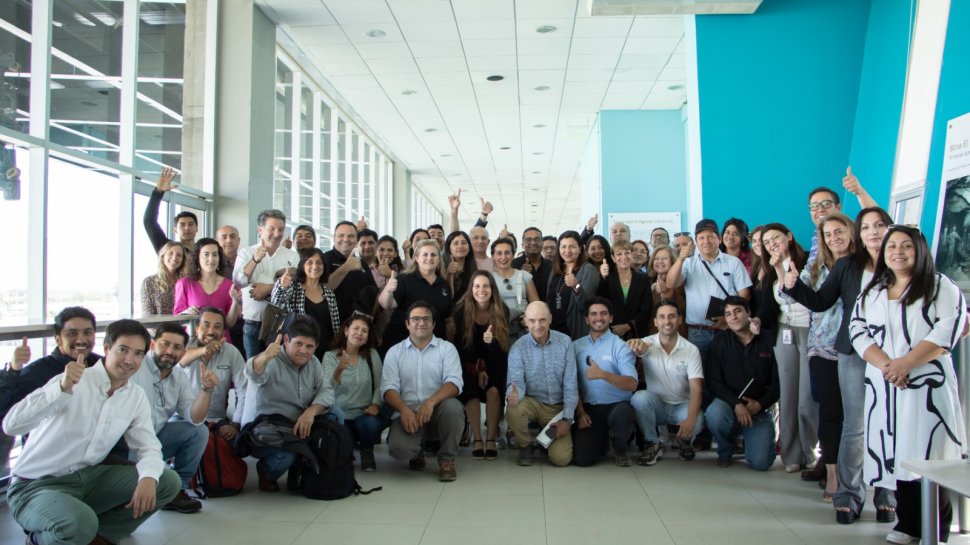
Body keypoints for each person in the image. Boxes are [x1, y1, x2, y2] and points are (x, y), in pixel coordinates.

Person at [3, 320, 181, 545]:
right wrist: (61, 389)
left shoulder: (135, 396)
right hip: (34, 486)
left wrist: (148, 478)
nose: (129, 360)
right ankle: (42, 539)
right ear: (106, 349)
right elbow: (11, 425)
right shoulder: (73, 381)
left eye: (138, 353)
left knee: (166, 480)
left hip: (87, 479)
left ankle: (100, 534)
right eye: (123, 350)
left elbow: (148, 446)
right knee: (80, 523)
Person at [848, 225, 967, 544]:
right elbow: (857, 330)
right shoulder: (873, 291)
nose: (898, 252)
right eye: (891, 247)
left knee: (929, 451)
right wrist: (887, 365)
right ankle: (909, 522)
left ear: (920, 250)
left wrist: (907, 363)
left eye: (906, 246)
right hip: (885, 382)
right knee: (895, 449)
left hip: (926, 383)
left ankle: (936, 527)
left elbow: (948, 328)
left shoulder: (940, 286)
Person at [782, 206, 895, 524]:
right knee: (854, 425)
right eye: (867, 227)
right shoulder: (847, 266)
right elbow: (821, 302)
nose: (873, 232)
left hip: (894, 353)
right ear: (860, 233)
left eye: (879, 226)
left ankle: (887, 493)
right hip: (853, 350)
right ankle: (849, 494)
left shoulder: (899, 261)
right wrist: (792, 285)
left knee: (888, 423)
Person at [797, 213, 855, 499]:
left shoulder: (865, 263)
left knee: (856, 414)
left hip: (860, 347)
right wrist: (786, 277)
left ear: (851, 232)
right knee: (831, 412)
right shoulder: (816, 266)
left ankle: (856, 473)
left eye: (839, 231)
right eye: (828, 234)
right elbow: (811, 299)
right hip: (822, 347)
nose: (834, 238)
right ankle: (832, 473)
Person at [0, 307, 101, 474]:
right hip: (47, 467)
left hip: (92, 460)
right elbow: (5, 411)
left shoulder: (101, 365)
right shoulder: (38, 372)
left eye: (87, 333)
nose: (81, 339)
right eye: (72, 333)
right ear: (58, 339)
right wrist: (13, 369)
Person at [128, 322, 215, 514]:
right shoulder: (135, 367)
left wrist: (207, 390)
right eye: (164, 344)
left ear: (183, 352)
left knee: (199, 431)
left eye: (176, 347)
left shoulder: (179, 376)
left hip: (154, 440)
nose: (169, 351)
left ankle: (176, 490)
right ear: (152, 345)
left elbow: (195, 418)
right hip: (126, 445)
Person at [244, 317, 336, 492]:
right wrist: (264, 357)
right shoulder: (272, 358)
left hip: (297, 427)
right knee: (285, 456)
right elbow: (253, 373)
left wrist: (311, 411)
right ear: (286, 340)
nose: (303, 351)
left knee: (335, 414)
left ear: (316, 346)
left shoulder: (313, 362)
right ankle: (266, 472)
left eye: (309, 346)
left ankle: (311, 469)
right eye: (298, 344)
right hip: (268, 432)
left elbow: (327, 390)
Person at [756, 223, 817, 474]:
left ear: (789, 237)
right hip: (784, 332)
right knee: (788, 397)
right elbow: (770, 305)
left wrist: (781, 269)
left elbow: (797, 294)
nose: (772, 244)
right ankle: (791, 454)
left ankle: (808, 451)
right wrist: (757, 320)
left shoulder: (809, 262)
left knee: (807, 398)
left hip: (810, 331)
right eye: (766, 242)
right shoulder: (769, 269)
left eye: (776, 238)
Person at [381, 302, 464, 481]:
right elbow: (388, 389)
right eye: (416, 319)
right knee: (399, 451)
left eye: (426, 319)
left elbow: (454, 383)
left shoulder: (446, 349)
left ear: (433, 324)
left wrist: (430, 402)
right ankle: (416, 452)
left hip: (437, 412)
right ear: (407, 324)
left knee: (453, 407)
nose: (421, 322)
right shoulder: (395, 352)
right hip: (408, 415)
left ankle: (447, 459)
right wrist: (404, 410)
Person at [704, 296, 779, 471]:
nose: (734, 317)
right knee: (715, 413)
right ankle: (725, 449)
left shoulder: (769, 340)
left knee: (761, 463)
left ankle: (752, 441)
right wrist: (736, 404)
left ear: (749, 312)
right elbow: (714, 382)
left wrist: (760, 404)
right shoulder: (718, 343)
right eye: (728, 314)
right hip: (729, 406)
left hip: (758, 410)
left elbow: (779, 382)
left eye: (738, 311)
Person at [628, 301, 704, 465]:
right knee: (639, 398)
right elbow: (638, 348)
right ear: (655, 322)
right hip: (657, 406)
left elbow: (696, 389)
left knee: (697, 422)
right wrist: (636, 347)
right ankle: (653, 443)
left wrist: (690, 419)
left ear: (680, 319)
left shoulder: (691, 349)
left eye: (671, 316)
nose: (667, 321)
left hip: (682, 405)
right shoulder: (647, 343)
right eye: (662, 317)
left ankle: (684, 441)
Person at [666, 219, 752, 361]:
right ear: (696, 242)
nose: (706, 241)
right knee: (700, 372)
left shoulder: (733, 262)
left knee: (730, 368)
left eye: (710, 237)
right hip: (698, 332)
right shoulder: (688, 263)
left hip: (728, 328)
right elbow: (671, 283)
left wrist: (728, 319)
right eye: (701, 238)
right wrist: (680, 259)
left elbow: (745, 294)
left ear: (719, 239)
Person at [506, 302, 577, 467]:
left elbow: (571, 384)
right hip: (534, 403)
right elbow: (516, 383)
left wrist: (567, 419)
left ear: (550, 319)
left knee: (561, 459)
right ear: (525, 321)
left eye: (542, 320)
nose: (537, 325)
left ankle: (546, 440)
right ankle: (526, 445)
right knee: (513, 409)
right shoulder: (518, 347)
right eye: (532, 320)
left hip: (558, 408)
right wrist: (514, 395)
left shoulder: (565, 342)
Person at [572, 298, 638, 467]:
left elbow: (632, 384)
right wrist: (580, 413)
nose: (599, 318)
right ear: (587, 319)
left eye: (603, 313)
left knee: (621, 415)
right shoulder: (576, 346)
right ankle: (603, 439)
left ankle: (621, 449)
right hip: (590, 409)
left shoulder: (621, 346)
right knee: (582, 460)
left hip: (617, 406)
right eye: (593, 314)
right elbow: (572, 384)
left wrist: (603, 374)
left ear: (611, 318)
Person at [453, 271, 510, 461]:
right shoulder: (461, 311)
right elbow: (463, 345)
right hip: (469, 360)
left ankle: (491, 438)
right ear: (471, 289)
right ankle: (478, 438)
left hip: (494, 359)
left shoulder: (502, 309)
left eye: (486, 286)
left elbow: (501, 348)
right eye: (477, 286)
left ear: (492, 289)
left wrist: (490, 342)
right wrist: (479, 369)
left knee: (493, 390)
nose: (481, 290)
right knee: (471, 391)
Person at [321, 312, 387, 472]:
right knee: (343, 457)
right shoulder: (330, 357)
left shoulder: (372, 355)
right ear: (346, 331)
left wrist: (375, 405)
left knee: (371, 425)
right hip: (340, 415)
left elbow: (379, 385)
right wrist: (339, 370)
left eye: (364, 331)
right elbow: (327, 390)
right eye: (355, 328)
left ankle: (367, 450)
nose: (359, 333)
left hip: (364, 413)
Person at [233, 209, 299, 359]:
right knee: (254, 367)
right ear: (260, 230)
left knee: (280, 368)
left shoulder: (292, 256)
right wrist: (255, 259)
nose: (277, 234)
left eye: (281, 229)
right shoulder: (246, 253)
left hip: (282, 324)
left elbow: (297, 287)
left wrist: (269, 288)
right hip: (253, 324)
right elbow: (240, 281)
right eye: (272, 229)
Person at [176, 308, 249, 443]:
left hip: (215, 420)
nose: (211, 331)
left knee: (236, 443)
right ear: (197, 329)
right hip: (182, 418)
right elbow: (181, 360)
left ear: (223, 332)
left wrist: (236, 424)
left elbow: (243, 389)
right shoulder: (185, 347)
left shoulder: (231, 352)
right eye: (206, 325)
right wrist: (204, 350)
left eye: (217, 327)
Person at [378, 239, 454, 355]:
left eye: (433, 255)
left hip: (432, 349)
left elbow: (446, 318)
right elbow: (386, 304)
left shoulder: (444, 285)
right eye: (425, 254)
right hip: (400, 345)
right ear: (417, 258)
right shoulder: (404, 279)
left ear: (439, 259)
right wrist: (388, 290)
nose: (429, 258)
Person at [271, 248, 340, 360]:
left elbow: (335, 326)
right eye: (309, 262)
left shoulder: (329, 294)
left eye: (319, 262)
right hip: (299, 348)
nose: (315, 266)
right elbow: (276, 302)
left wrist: (336, 347)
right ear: (303, 265)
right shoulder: (294, 288)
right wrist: (281, 285)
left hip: (324, 348)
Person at [174, 237, 242, 340]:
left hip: (221, 342)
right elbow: (177, 320)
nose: (211, 259)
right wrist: (186, 314)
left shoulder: (229, 285)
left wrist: (235, 302)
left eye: (215, 254)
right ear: (197, 257)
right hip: (192, 342)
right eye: (206, 254)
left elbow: (229, 323)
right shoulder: (184, 283)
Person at [545, 230, 600, 339]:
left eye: (572, 247)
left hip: (575, 331)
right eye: (563, 247)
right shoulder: (555, 271)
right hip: (553, 330)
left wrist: (576, 285)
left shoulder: (588, 270)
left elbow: (588, 305)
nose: (567, 251)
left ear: (580, 249)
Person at [596, 240, 652, 340]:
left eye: (627, 253)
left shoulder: (643, 279)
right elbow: (600, 304)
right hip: (612, 333)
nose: (624, 257)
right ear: (613, 258)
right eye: (619, 254)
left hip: (637, 334)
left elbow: (646, 309)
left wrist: (628, 326)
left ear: (631, 255)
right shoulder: (608, 279)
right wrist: (603, 278)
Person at [324, 221, 378, 322]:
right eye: (341, 235)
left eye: (351, 236)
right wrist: (346, 267)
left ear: (356, 240)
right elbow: (322, 290)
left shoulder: (362, 263)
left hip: (357, 326)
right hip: (330, 323)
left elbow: (373, 293)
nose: (346, 239)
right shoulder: (324, 259)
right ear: (334, 238)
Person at [491, 238, 539, 338]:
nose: (503, 257)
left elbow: (536, 303)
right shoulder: (489, 278)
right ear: (493, 256)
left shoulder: (524, 275)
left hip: (523, 327)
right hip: (498, 328)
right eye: (499, 253)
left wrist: (528, 316)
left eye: (507, 253)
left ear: (513, 255)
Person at [143, 166, 197, 253]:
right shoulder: (168, 249)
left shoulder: (205, 251)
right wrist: (158, 192)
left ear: (196, 228)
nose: (187, 228)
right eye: (182, 225)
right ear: (175, 229)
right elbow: (149, 221)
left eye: (191, 224)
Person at [645, 245, 686, 336]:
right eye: (656, 258)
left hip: (675, 334)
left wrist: (667, 290)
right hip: (652, 334)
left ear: (672, 261)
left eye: (664, 258)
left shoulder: (680, 281)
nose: (660, 261)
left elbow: (681, 308)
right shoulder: (647, 281)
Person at [141, 241, 187, 316]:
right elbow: (147, 314)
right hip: (158, 323)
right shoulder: (148, 282)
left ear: (183, 260)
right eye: (170, 253)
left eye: (179, 255)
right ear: (163, 257)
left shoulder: (186, 282)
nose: (174, 258)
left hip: (182, 323)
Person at [512, 227, 552, 299]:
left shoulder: (552, 266)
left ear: (542, 243)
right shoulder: (513, 265)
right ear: (522, 244)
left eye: (537, 239)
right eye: (528, 240)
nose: (533, 243)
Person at [442, 231, 477, 302]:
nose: (460, 246)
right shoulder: (441, 268)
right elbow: (443, 294)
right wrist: (449, 274)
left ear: (469, 247)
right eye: (455, 243)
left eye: (463, 243)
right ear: (449, 248)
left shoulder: (474, 268)